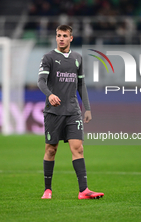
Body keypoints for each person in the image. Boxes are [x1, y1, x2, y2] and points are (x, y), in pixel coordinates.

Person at [37, 24, 104, 199]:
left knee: (78, 148)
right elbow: (41, 82)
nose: (61, 38)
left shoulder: (77, 58)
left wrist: (87, 108)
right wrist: (50, 95)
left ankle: (83, 191)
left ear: (71, 38)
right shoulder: (48, 57)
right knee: (51, 149)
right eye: (58, 35)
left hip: (73, 111)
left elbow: (81, 85)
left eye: (64, 36)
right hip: (53, 112)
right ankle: (47, 189)